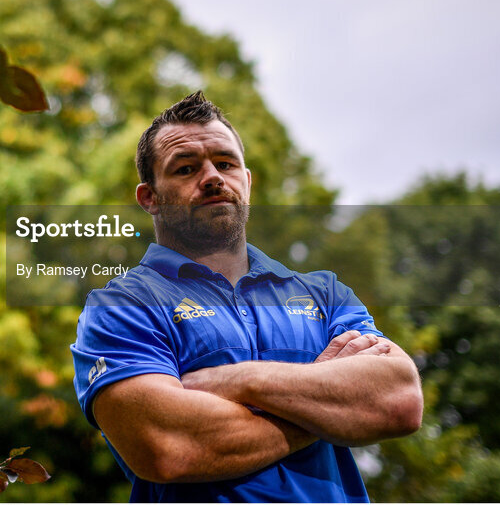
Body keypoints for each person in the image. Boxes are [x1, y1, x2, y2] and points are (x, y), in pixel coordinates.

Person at [71, 91, 423, 502]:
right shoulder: (121, 306)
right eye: (186, 169)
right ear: (149, 198)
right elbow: (167, 448)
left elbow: (397, 401)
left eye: (225, 163)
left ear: (247, 180)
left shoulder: (324, 292)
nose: (212, 178)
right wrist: (328, 404)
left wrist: (238, 380)